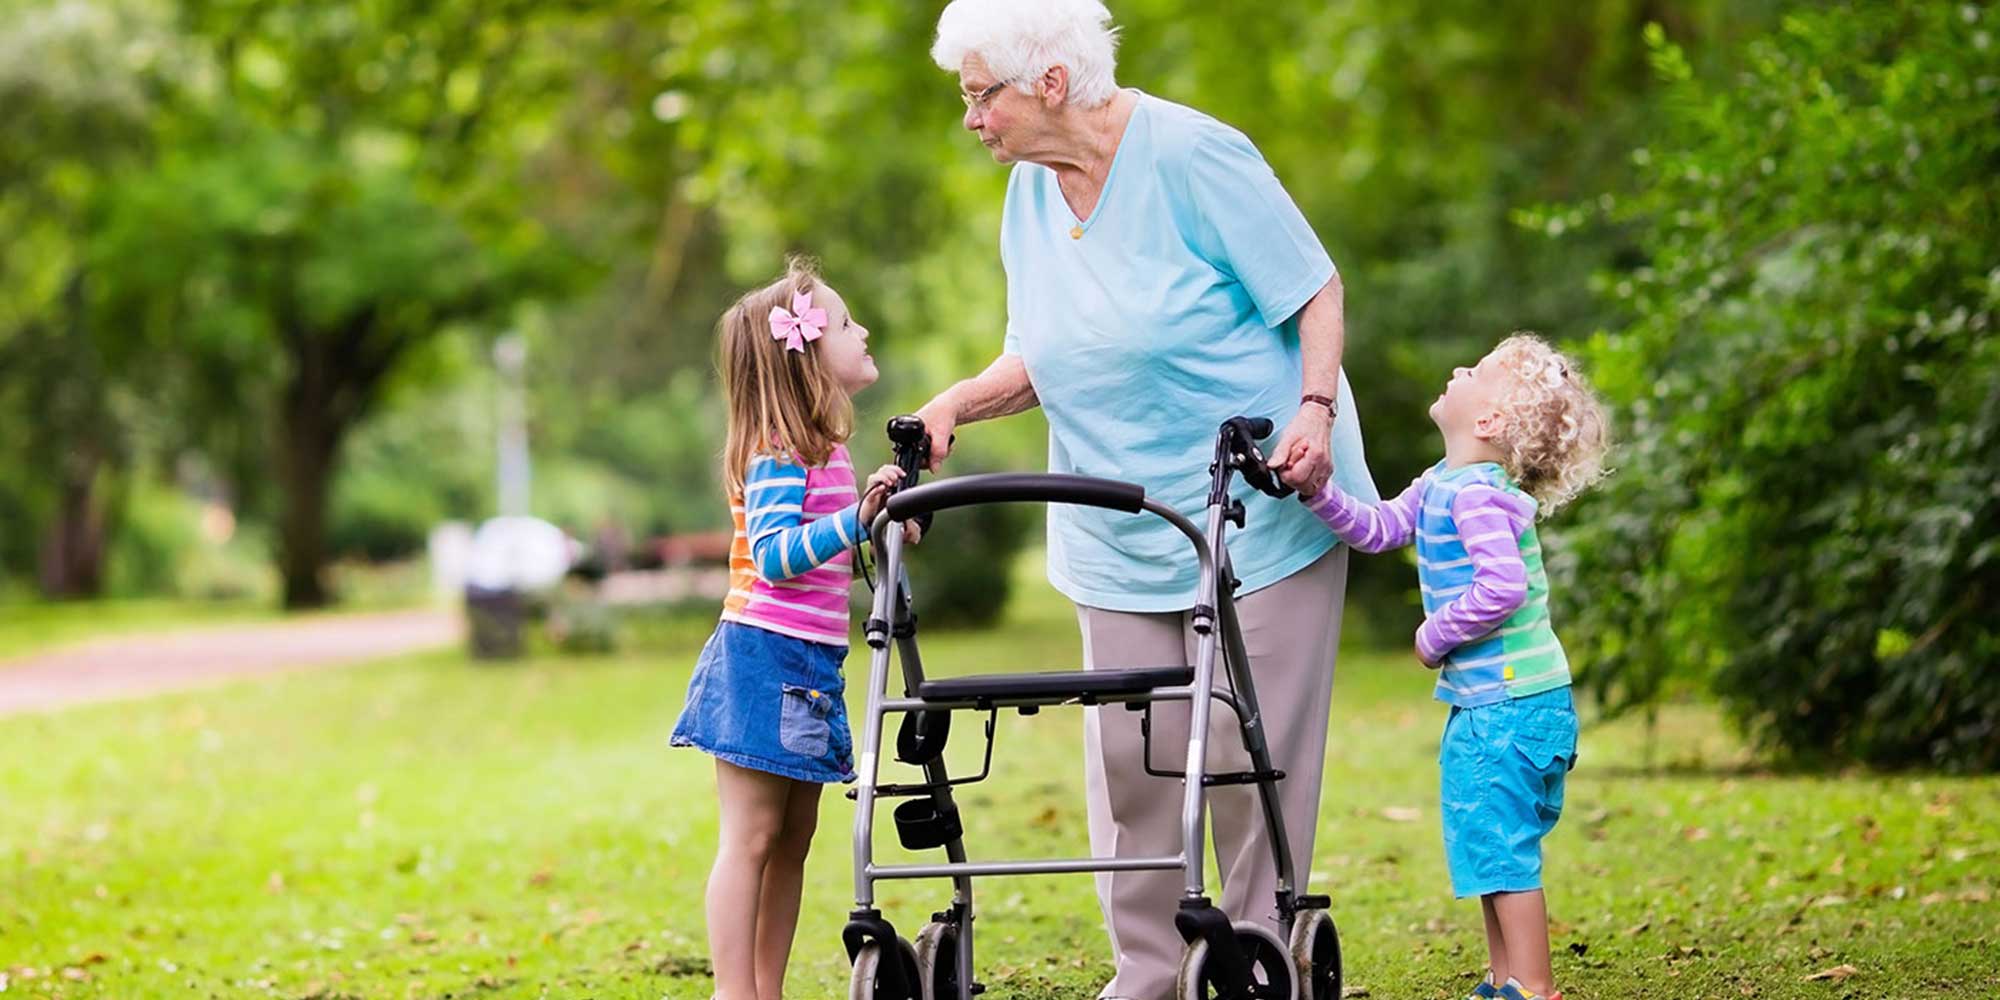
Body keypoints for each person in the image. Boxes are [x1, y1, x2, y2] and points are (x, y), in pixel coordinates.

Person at [916, 2, 1376, 995]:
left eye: (977, 95)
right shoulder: (1029, 194)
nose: (970, 120)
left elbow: (1311, 291)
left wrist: (1310, 408)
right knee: (1138, 755)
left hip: (1251, 495)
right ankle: (1148, 966)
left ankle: (1252, 950)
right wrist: (955, 401)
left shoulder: (1193, 155)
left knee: (1248, 748)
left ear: (1046, 83)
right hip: (1113, 516)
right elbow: (1038, 353)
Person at [1296, 333, 1609, 1000]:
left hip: (1511, 706)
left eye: (1480, 370)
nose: (1460, 367)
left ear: (1489, 421)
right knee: (1488, 849)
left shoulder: (1475, 495)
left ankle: (1533, 986)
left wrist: (1434, 636)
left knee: (1502, 848)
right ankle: (1505, 981)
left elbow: (1502, 588)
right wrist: (1319, 491)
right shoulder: (1444, 483)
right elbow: (1379, 528)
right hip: (1496, 705)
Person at [669, 257, 917, 1000]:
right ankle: (735, 993)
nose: (862, 330)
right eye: (845, 323)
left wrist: (880, 521)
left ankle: (766, 988)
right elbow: (776, 557)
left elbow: (831, 547)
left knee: (794, 839)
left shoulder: (825, 450)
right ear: (805, 353)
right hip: (761, 657)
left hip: (808, 664)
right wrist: (856, 520)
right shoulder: (779, 453)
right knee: (750, 838)